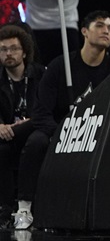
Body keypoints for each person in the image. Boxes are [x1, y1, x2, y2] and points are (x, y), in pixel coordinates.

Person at [14, 11, 110, 230]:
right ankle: (24, 208)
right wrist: (60, 133)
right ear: (84, 31)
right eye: (100, 26)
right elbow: (41, 111)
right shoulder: (59, 66)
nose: (106, 31)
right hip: (57, 128)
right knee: (36, 143)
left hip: (97, 132)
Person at [0, 25, 43, 225]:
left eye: (14, 48)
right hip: (6, 134)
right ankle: (5, 210)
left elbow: (48, 110)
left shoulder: (41, 74)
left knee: (36, 139)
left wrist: (30, 122)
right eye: (3, 49)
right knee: (2, 149)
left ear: (24, 51)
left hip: (35, 130)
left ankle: (25, 207)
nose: (8, 53)